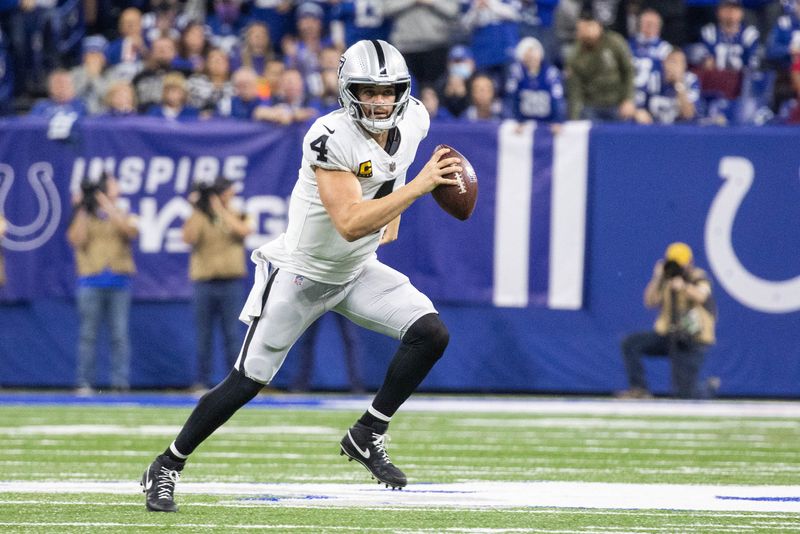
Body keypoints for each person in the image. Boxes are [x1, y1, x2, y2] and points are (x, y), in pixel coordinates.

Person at [141, 38, 461, 512]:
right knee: (246, 381)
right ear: (346, 91)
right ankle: (167, 464)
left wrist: (393, 207)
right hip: (302, 273)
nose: (378, 101)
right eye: (367, 91)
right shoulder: (328, 137)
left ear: (402, 91)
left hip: (354, 271)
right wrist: (413, 192)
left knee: (431, 333)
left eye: (387, 90)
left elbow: (394, 168)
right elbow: (351, 222)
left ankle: (367, 432)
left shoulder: (414, 118)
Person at [67, 174, 139, 396]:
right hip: (90, 281)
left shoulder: (123, 211)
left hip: (119, 281)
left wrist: (108, 205)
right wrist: (82, 208)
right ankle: (85, 382)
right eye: (112, 184)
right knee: (88, 335)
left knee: (119, 335)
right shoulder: (85, 214)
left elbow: (130, 231)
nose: (116, 186)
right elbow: (76, 240)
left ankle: (120, 382)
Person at [617, 242, 718, 400]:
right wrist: (657, 278)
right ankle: (639, 388)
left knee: (685, 394)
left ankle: (709, 388)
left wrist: (683, 286)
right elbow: (650, 302)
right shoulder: (666, 277)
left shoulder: (698, 277)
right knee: (630, 343)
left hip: (692, 339)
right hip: (668, 334)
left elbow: (703, 296)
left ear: (689, 262)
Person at [183, 177, 253, 392]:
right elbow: (188, 237)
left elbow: (244, 231)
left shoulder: (239, 212)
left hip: (231, 282)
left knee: (232, 335)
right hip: (204, 283)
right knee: (203, 335)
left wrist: (220, 209)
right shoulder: (200, 215)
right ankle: (201, 381)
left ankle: (235, 383)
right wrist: (198, 208)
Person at [565, 8, 635, 121]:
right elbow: (574, 89)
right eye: (583, 28)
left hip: (616, 102)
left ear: (599, 26)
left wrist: (629, 99)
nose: (587, 32)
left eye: (590, 26)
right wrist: (574, 118)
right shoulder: (575, 53)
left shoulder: (614, 42)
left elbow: (628, 71)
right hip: (591, 105)